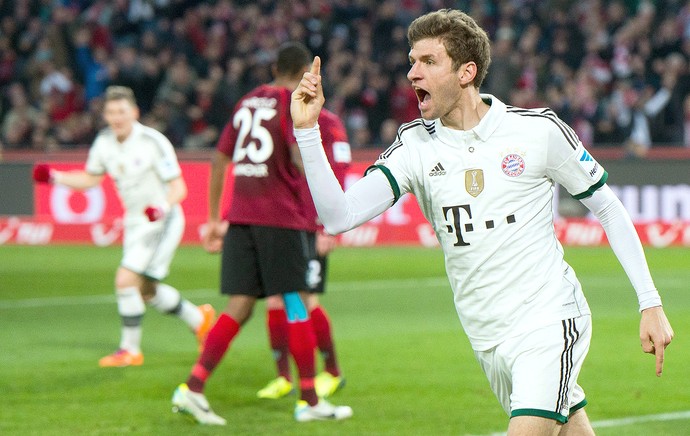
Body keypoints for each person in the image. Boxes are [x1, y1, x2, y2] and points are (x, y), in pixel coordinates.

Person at [290, 9, 674, 436]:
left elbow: (608, 208)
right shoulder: (414, 146)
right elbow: (338, 216)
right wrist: (307, 132)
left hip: (549, 320)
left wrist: (650, 302)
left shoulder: (537, 131)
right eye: (411, 61)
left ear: (466, 72)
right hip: (487, 334)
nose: (412, 73)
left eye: (428, 62)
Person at [170, 42, 353, 425]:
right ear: (305, 70)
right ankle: (309, 400)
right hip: (281, 218)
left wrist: (214, 218)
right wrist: (324, 201)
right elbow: (299, 155)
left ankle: (192, 388)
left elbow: (220, 159)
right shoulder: (292, 103)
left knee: (240, 305)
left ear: (273, 66)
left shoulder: (247, 102)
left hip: (241, 216)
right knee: (297, 302)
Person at [32, 85, 216, 368]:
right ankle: (199, 320)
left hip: (161, 221)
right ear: (104, 114)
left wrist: (162, 208)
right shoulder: (104, 142)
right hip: (134, 223)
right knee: (145, 291)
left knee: (125, 280)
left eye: (121, 111)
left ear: (134, 112)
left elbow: (179, 188)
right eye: (111, 112)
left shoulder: (153, 142)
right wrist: (55, 177)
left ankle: (130, 350)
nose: (116, 117)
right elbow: (91, 179)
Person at [257, 107, 351, 400]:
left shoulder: (329, 123)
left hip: (311, 223)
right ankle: (283, 377)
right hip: (282, 221)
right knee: (274, 298)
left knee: (305, 298)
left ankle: (332, 372)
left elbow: (340, 169)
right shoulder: (279, 119)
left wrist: (328, 226)